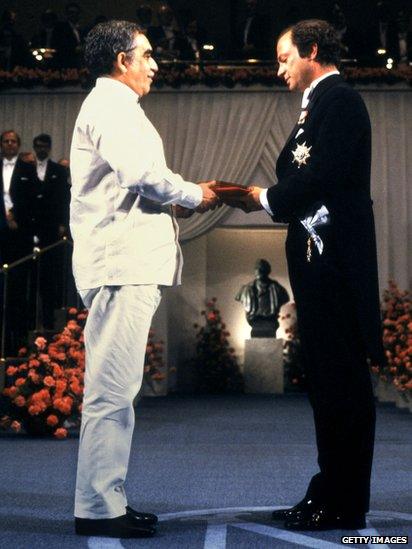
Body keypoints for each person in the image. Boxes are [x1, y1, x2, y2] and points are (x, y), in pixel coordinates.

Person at [233, 19, 383, 531]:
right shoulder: (319, 106)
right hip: (320, 265)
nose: (278, 69)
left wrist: (263, 199)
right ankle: (330, 493)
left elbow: (322, 176)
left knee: (342, 384)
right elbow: (303, 172)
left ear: (311, 51)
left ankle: (344, 501)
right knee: (328, 383)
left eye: (283, 58)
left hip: (337, 266)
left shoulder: (340, 102)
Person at [70, 20, 218, 539]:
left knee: (113, 389)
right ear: (121, 61)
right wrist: (198, 193)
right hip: (120, 265)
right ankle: (98, 507)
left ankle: (101, 500)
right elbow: (141, 176)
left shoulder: (112, 106)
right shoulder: (113, 107)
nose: (156, 63)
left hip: (120, 265)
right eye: (147, 55)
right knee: (111, 391)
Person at [0, 130, 38, 353]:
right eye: (6, 141)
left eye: (14, 141)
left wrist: (15, 217)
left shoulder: (27, 169)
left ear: (18, 144)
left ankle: (17, 340)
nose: (10, 144)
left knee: (17, 289)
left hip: (19, 236)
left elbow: (32, 201)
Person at [32, 133, 70, 328]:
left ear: (49, 147)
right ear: (34, 147)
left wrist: (62, 223)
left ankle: (49, 322)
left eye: (45, 146)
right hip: (28, 230)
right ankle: (28, 323)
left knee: (50, 278)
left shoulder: (59, 171)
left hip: (51, 230)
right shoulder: (26, 168)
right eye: (38, 146)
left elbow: (64, 199)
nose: (42, 149)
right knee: (29, 278)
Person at [235, 258, 289, 337]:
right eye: (257, 268)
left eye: (261, 268)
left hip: (271, 322)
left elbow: (285, 298)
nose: (259, 271)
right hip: (255, 321)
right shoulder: (246, 289)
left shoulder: (277, 289)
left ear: (267, 271)